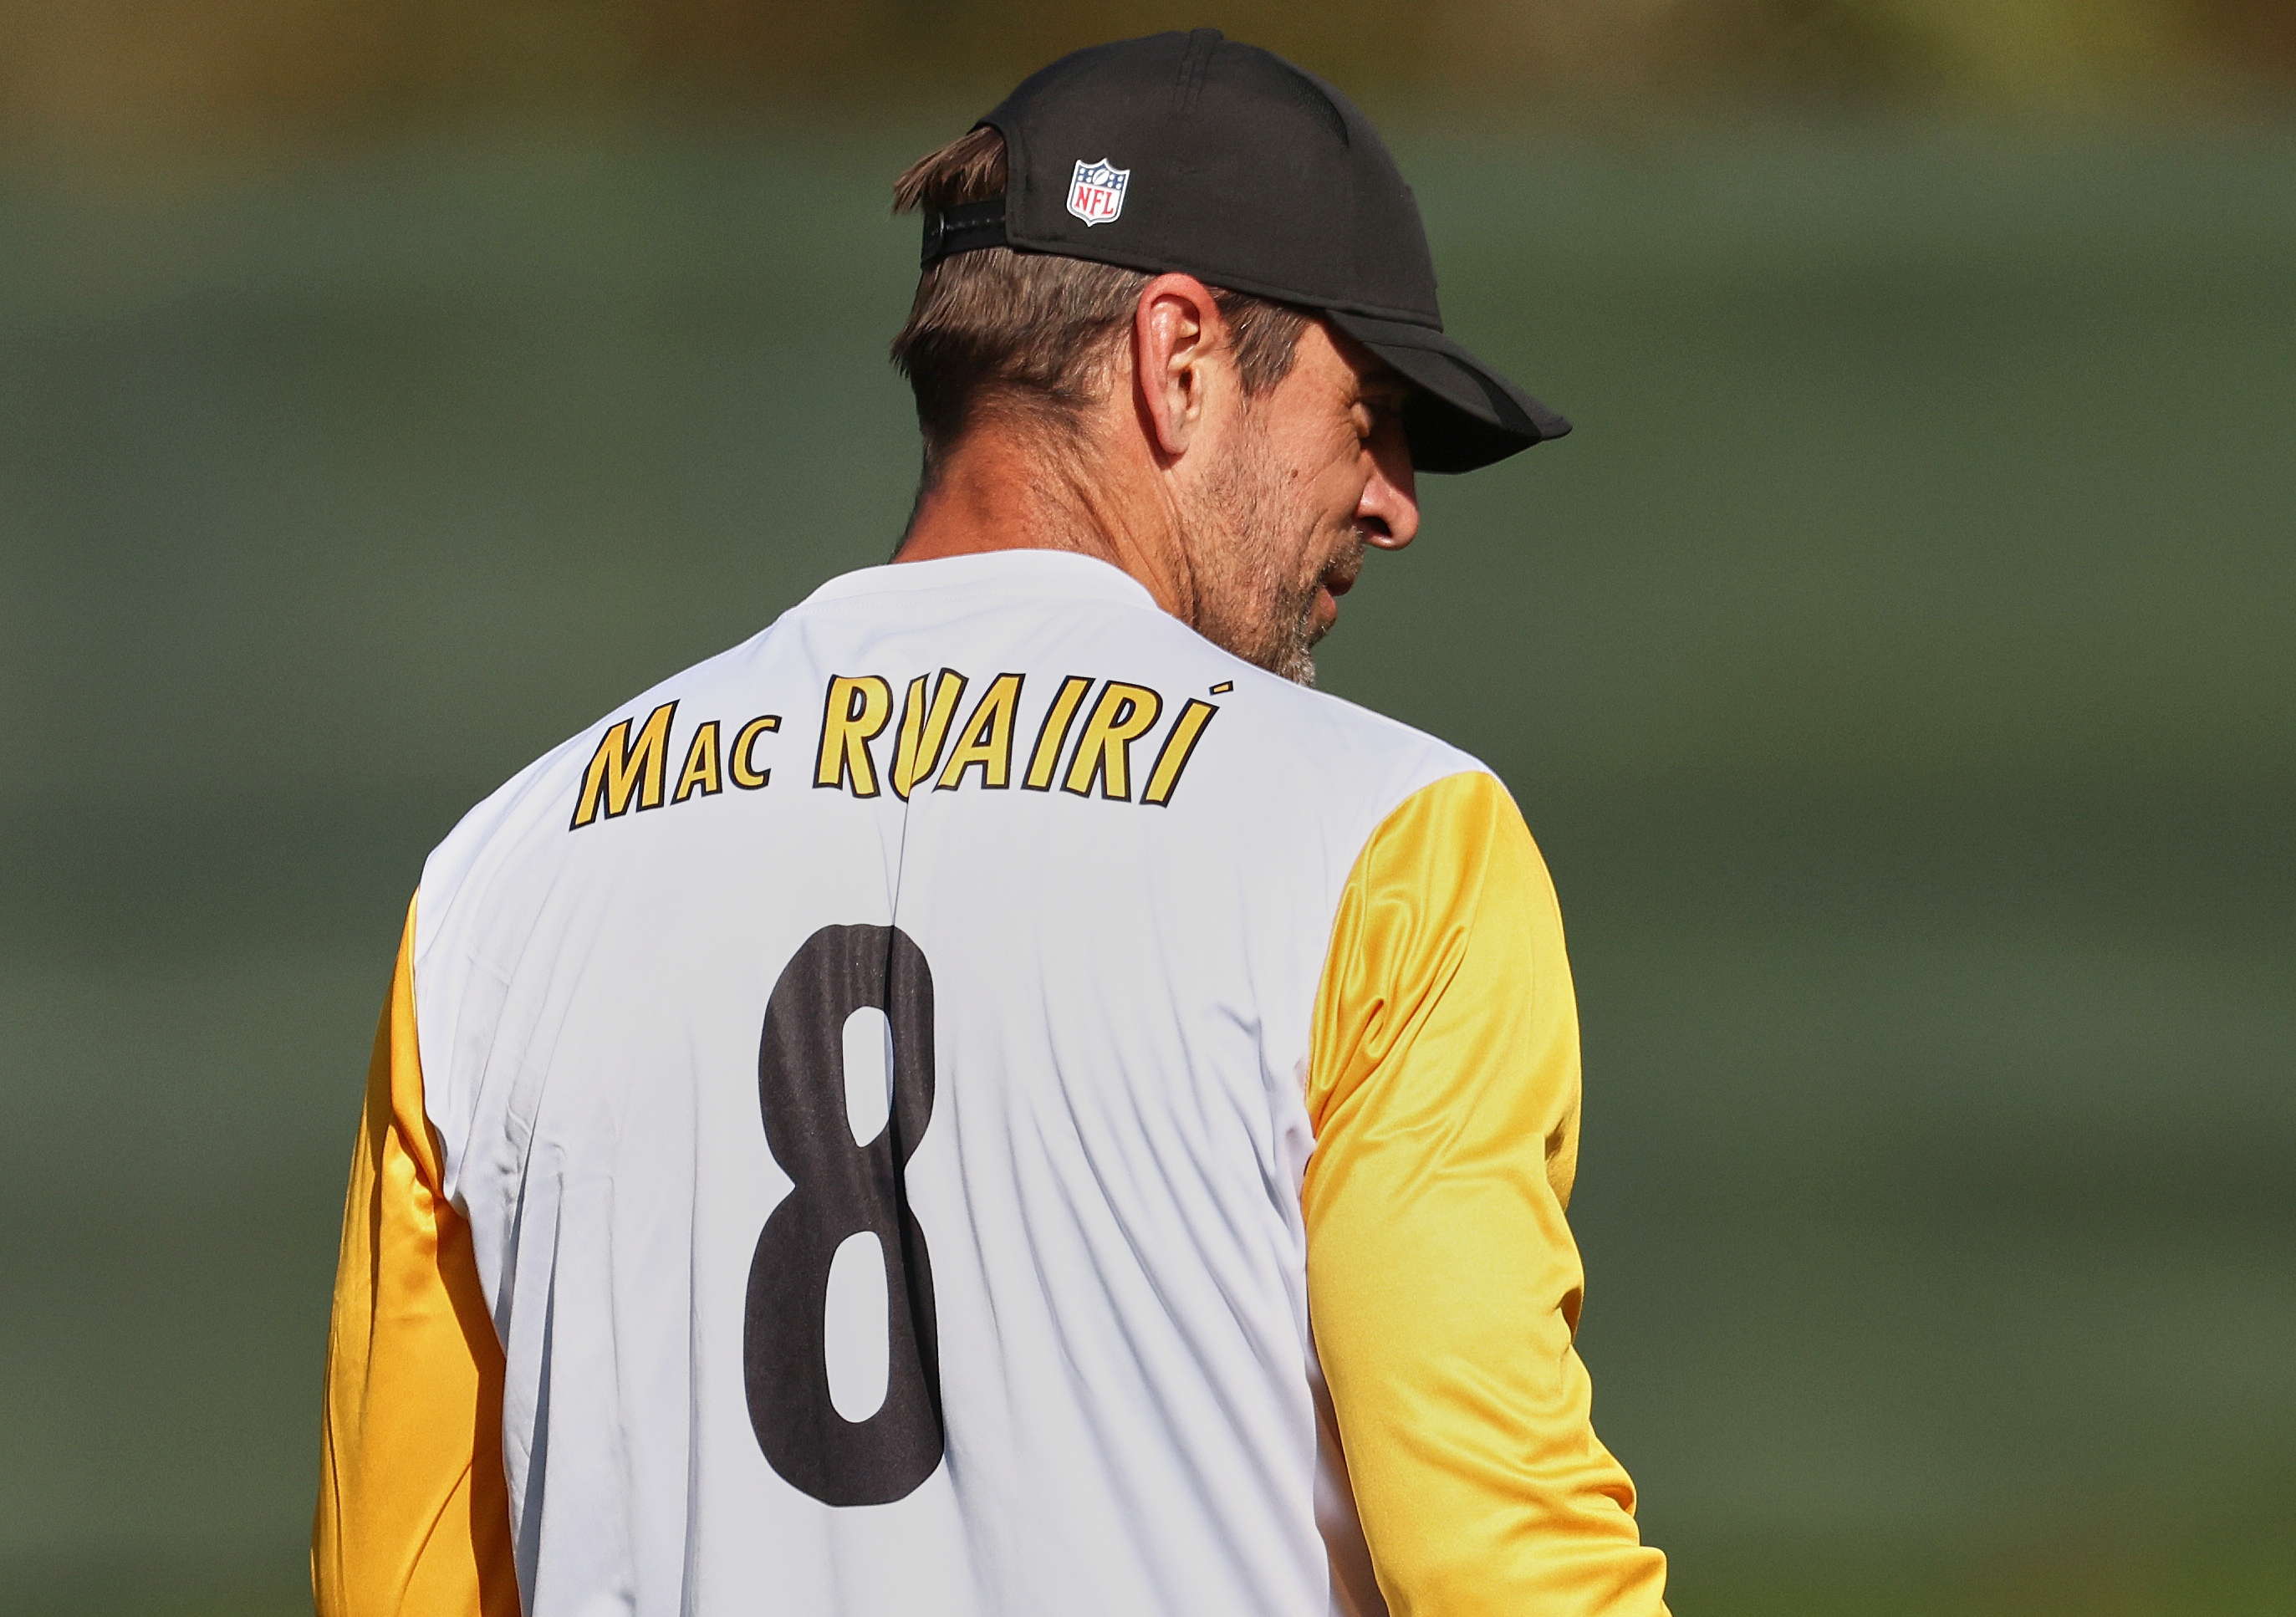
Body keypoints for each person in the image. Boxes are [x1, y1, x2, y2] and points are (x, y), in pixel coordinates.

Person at [314, 28, 1668, 1617]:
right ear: (1178, 363)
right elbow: (1503, 1565)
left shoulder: (497, 886)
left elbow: (390, 1584)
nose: (1392, 500)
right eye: (1366, 411)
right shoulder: (1385, 850)